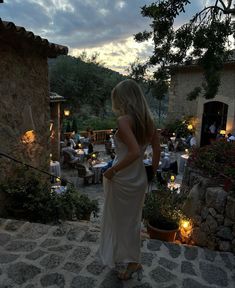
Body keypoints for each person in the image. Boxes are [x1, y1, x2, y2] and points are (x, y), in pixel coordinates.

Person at [98, 79, 160, 280]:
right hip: (138, 177)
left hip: (123, 178)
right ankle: (131, 258)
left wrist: (112, 171)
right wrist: (150, 173)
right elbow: (156, 151)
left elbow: (133, 152)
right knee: (132, 222)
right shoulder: (149, 121)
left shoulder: (124, 121)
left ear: (124, 99)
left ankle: (129, 259)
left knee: (118, 221)